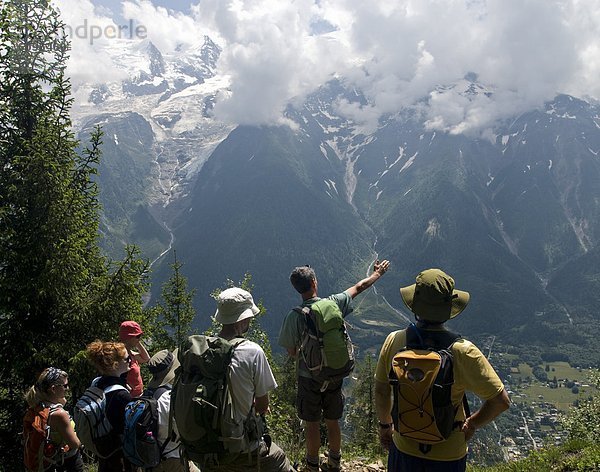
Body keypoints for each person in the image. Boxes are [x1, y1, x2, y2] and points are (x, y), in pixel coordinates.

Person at [374, 268, 511, 472]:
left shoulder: (395, 341)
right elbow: (501, 401)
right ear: (448, 309)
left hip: (404, 448)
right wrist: (472, 423)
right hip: (448, 454)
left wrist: (386, 426)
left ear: (415, 305)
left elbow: (382, 390)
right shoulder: (463, 351)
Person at [279, 260, 390, 472]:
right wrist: (378, 274)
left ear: (297, 288)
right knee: (333, 421)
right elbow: (359, 287)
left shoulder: (294, 316)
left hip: (308, 377)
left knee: (311, 423)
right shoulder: (333, 303)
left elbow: (292, 352)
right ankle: (335, 462)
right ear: (314, 283)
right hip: (335, 375)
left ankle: (312, 465)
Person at [196, 287, 294, 471]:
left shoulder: (203, 351)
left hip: (207, 448)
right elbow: (263, 406)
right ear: (242, 318)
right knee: (280, 460)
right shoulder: (252, 352)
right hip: (240, 447)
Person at [144, 349, 199, 472]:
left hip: (152, 459)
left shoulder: (147, 395)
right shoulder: (169, 398)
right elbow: (184, 432)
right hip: (172, 458)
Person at [86, 340, 135, 472]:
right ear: (115, 364)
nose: (130, 360)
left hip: (104, 449)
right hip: (120, 455)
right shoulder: (121, 395)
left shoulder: (97, 383)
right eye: (127, 358)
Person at [24, 367, 83, 472]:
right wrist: (82, 440)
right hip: (67, 464)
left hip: (50, 465)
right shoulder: (59, 414)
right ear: (53, 389)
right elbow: (74, 444)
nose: (68, 388)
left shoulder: (37, 407)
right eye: (65, 386)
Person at [118, 320, 150, 397]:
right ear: (129, 337)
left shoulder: (131, 354)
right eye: (138, 337)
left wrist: (137, 342)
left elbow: (146, 358)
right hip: (129, 399)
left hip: (138, 397)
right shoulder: (120, 357)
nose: (140, 339)